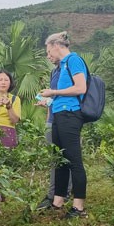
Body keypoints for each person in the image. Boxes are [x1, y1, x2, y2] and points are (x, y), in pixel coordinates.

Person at [39, 31, 89, 219]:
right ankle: (57, 201)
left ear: (56, 45)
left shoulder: (74, 60)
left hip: (70, 114)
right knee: (60, 160)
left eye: (48, 49)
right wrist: (51, 99)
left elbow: (80, 88)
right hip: (59, 114)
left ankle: (79, 206)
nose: (48, 54)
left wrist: (53, 91)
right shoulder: (63, 65)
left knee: (74, 160)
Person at [35, 53, 72, 211]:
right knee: (55, 159)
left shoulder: (70, 67)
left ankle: (60, 194)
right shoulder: (54, 72)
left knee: (66, 158)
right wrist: (48, 110)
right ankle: (56, 193)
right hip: (53, 120)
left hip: (67, 118)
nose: (48, 56)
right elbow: (55, 99)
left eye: (50, 52)